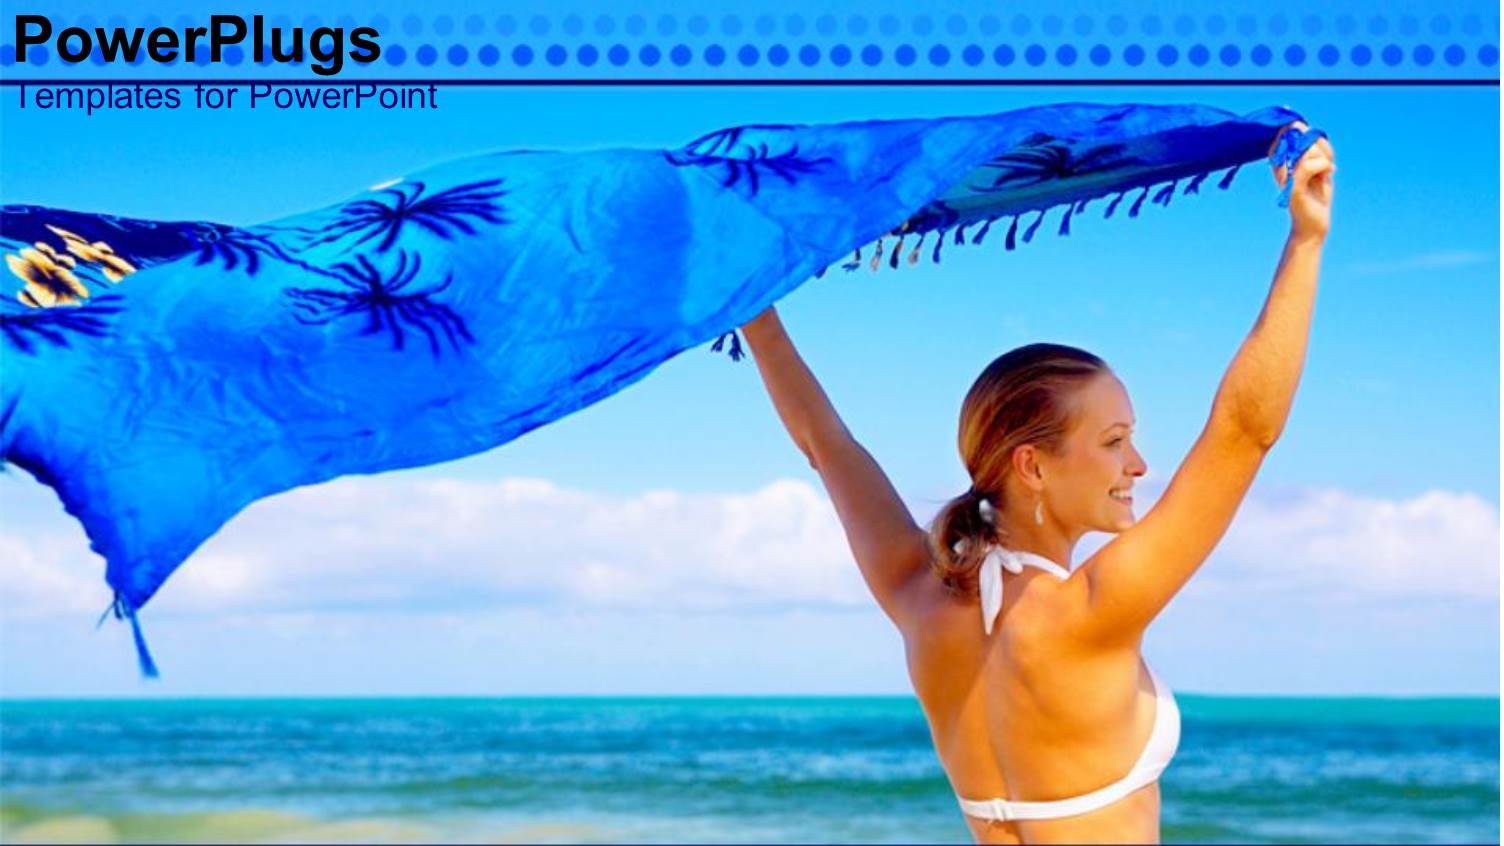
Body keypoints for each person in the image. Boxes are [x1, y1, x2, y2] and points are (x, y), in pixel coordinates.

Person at [740, 123, 1335, 844]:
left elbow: (825, 445)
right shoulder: (1092, 610)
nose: (1139, 465)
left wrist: (752, 307)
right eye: (1114, 442)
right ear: (1033, 467)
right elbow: (1244, 432)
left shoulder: (915, 594)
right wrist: (1305, 242)